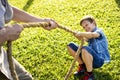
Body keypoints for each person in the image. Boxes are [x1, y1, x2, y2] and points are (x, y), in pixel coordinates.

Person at [0, 0, 58, 80]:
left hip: (1, 55)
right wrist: (4, 34)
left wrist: (40, 21)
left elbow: (6, 9)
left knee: (25, 78)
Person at [67, 15, 110, 80]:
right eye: (84, 27)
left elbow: (92, 35)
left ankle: (90, 74)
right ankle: (82, 67)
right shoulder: (88, 34)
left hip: (98, 61)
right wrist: (76, 35)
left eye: (87, 25)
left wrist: (81, 33)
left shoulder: (99, 31)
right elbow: (83, 39)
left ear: (93, 23)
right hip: (89, 58)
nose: (86, 28)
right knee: (70, 46)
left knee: (85, 49)